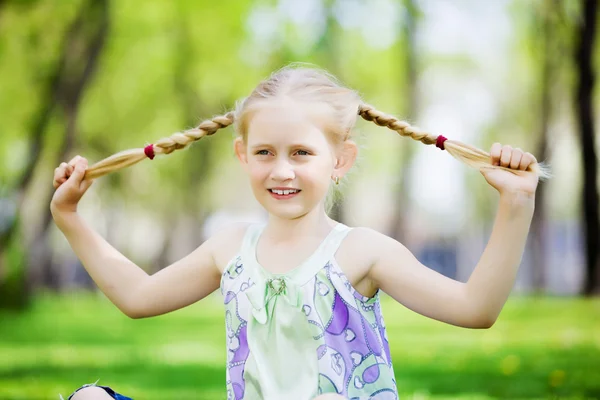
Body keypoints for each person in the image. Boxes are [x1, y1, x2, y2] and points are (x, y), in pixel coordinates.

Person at [51, 65, 547, 400]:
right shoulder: (231, 248)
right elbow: (137, 296)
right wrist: (70, 219)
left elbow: (475, 310)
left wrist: (515, 204)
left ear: (340, 161)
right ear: (243, 155)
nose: (281, 171)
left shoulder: (362, 252)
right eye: (265, 152)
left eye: (302, 153)